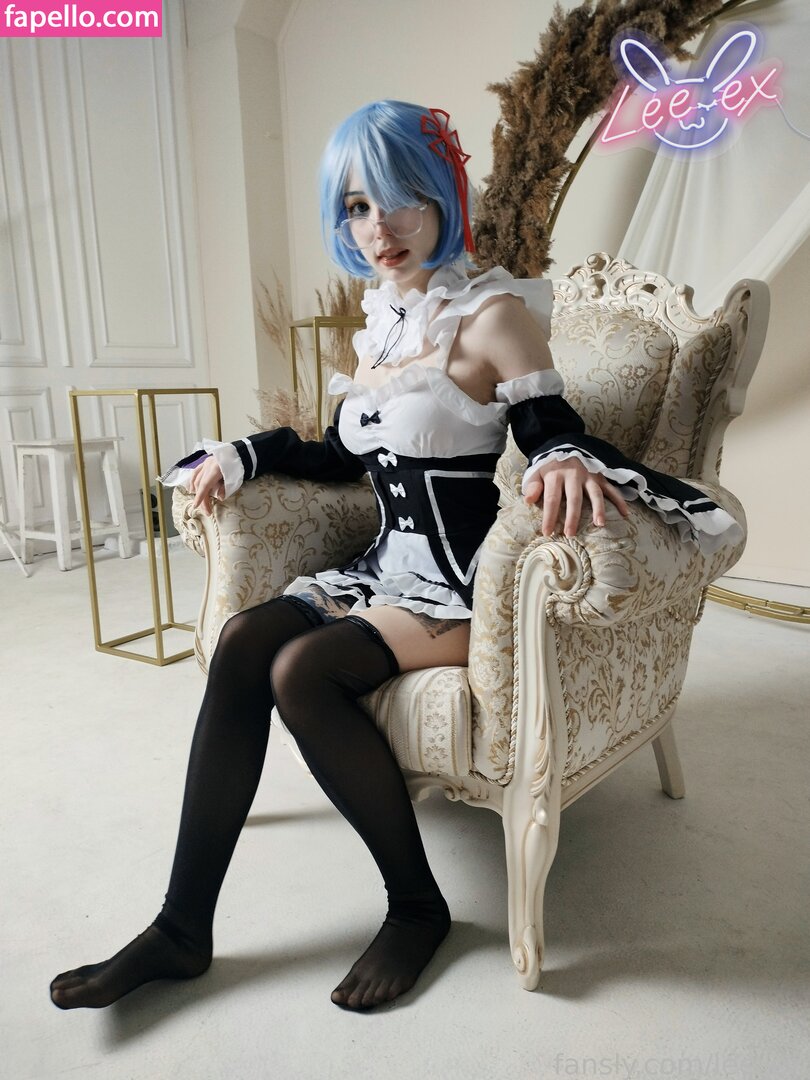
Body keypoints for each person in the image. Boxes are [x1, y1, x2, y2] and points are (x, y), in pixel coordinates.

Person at [50, 100, 741, 1014]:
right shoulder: (379, 325)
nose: (380, 227)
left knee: (302, 671)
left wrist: (565, 458)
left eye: (402, 197)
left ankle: (416, 907)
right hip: (382, 572)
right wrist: (245, 453)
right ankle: (181, 928)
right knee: (247, 641)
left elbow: (549, 425)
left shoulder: (493, 316)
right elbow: (343, 456)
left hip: (459, 587)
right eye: (357, 207)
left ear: (444, 195)